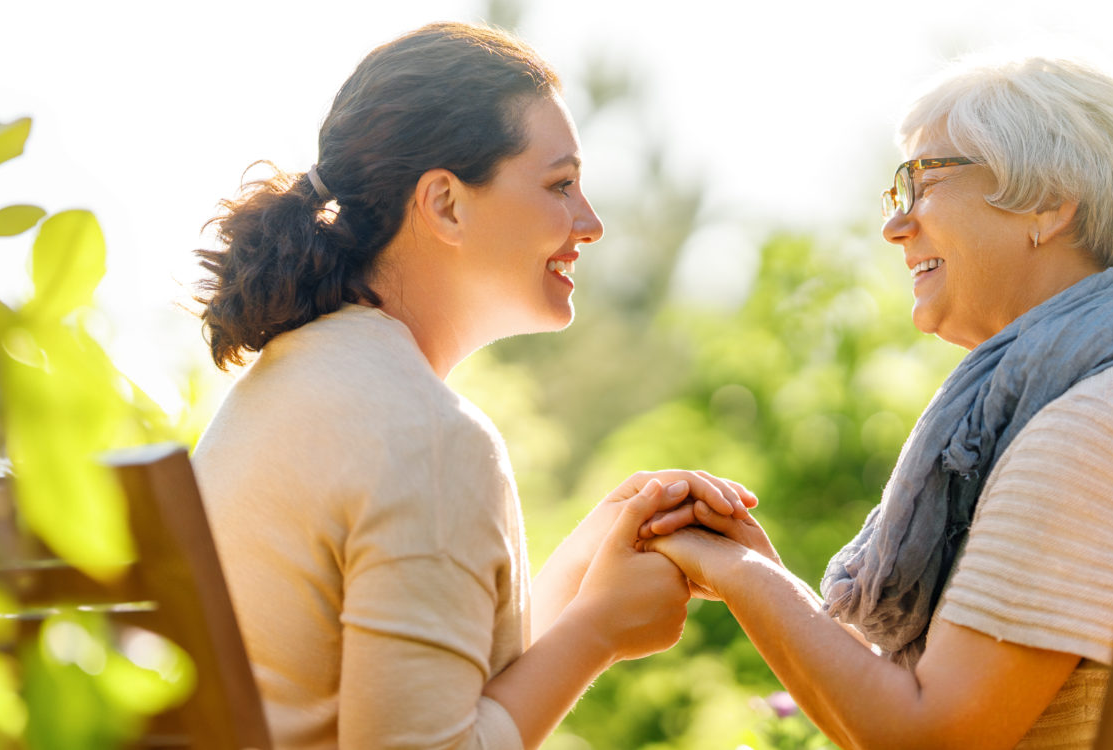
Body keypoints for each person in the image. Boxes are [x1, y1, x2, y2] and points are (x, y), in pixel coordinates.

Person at [191, 22, 755, 750]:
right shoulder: (428, 439)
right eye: (560, 185)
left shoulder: (293, 380)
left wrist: (586, 570)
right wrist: (596, 632)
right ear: (446, 204)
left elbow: (421, 694)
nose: (591, 223)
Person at [642, 54, 1113, 749]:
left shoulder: (1089, 431)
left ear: (1048, 201)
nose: (897, 225)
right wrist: (764, 571)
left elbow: (929, 734)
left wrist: (734, 573)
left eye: (922, 180)